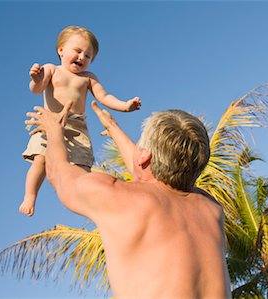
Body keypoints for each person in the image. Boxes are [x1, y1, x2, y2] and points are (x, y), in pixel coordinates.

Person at [25, 101, 232, 298]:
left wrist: (53, 129)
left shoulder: (119, 196)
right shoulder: (211, 209)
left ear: (144, 155)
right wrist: (113, 128)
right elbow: (151, 173)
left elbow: (58, 174)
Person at [20, 25, 141, 216]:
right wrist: (36, 79)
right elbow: (37, 89)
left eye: (88, 56)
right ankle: (30, 196)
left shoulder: (88, 78)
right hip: (50, 123)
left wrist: (125, 106)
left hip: (77, 128)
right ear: (60, 50)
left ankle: (91, 205)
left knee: (83, 170)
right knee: (40, 161)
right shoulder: (52, 69)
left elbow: (104, 96)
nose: (82, 58)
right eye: (77, 51)